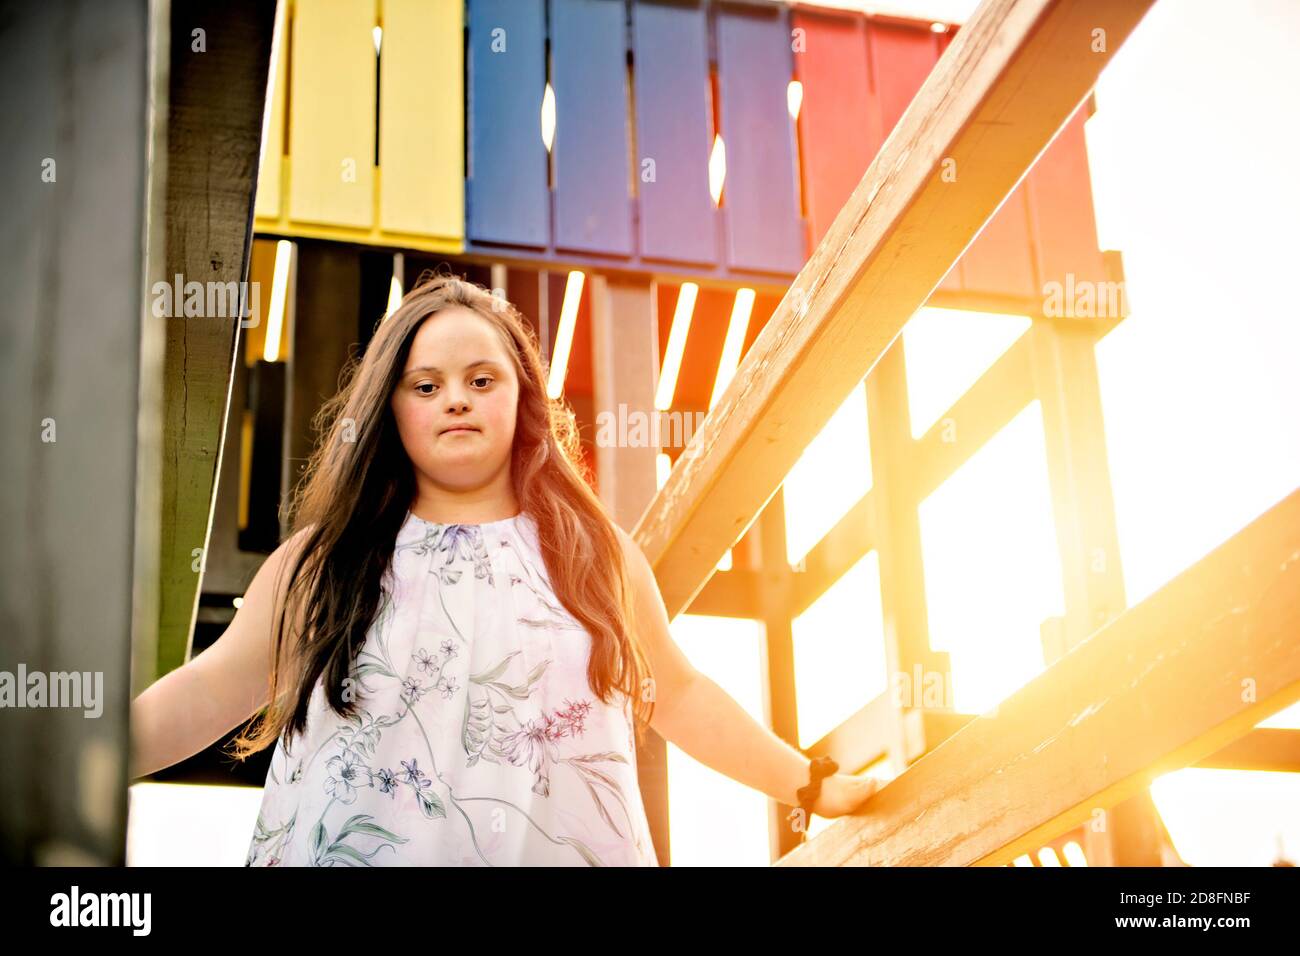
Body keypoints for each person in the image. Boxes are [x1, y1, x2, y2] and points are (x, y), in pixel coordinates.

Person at [130, 272, 878, 866]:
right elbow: (209, 688)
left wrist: (808, 784)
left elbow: (679, 695)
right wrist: (68, 762)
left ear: (522, 397)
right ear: (392, 409)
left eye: (481, 380)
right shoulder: (322, 564)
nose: (455, 399)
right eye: (426, 386)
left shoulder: (594, 554)